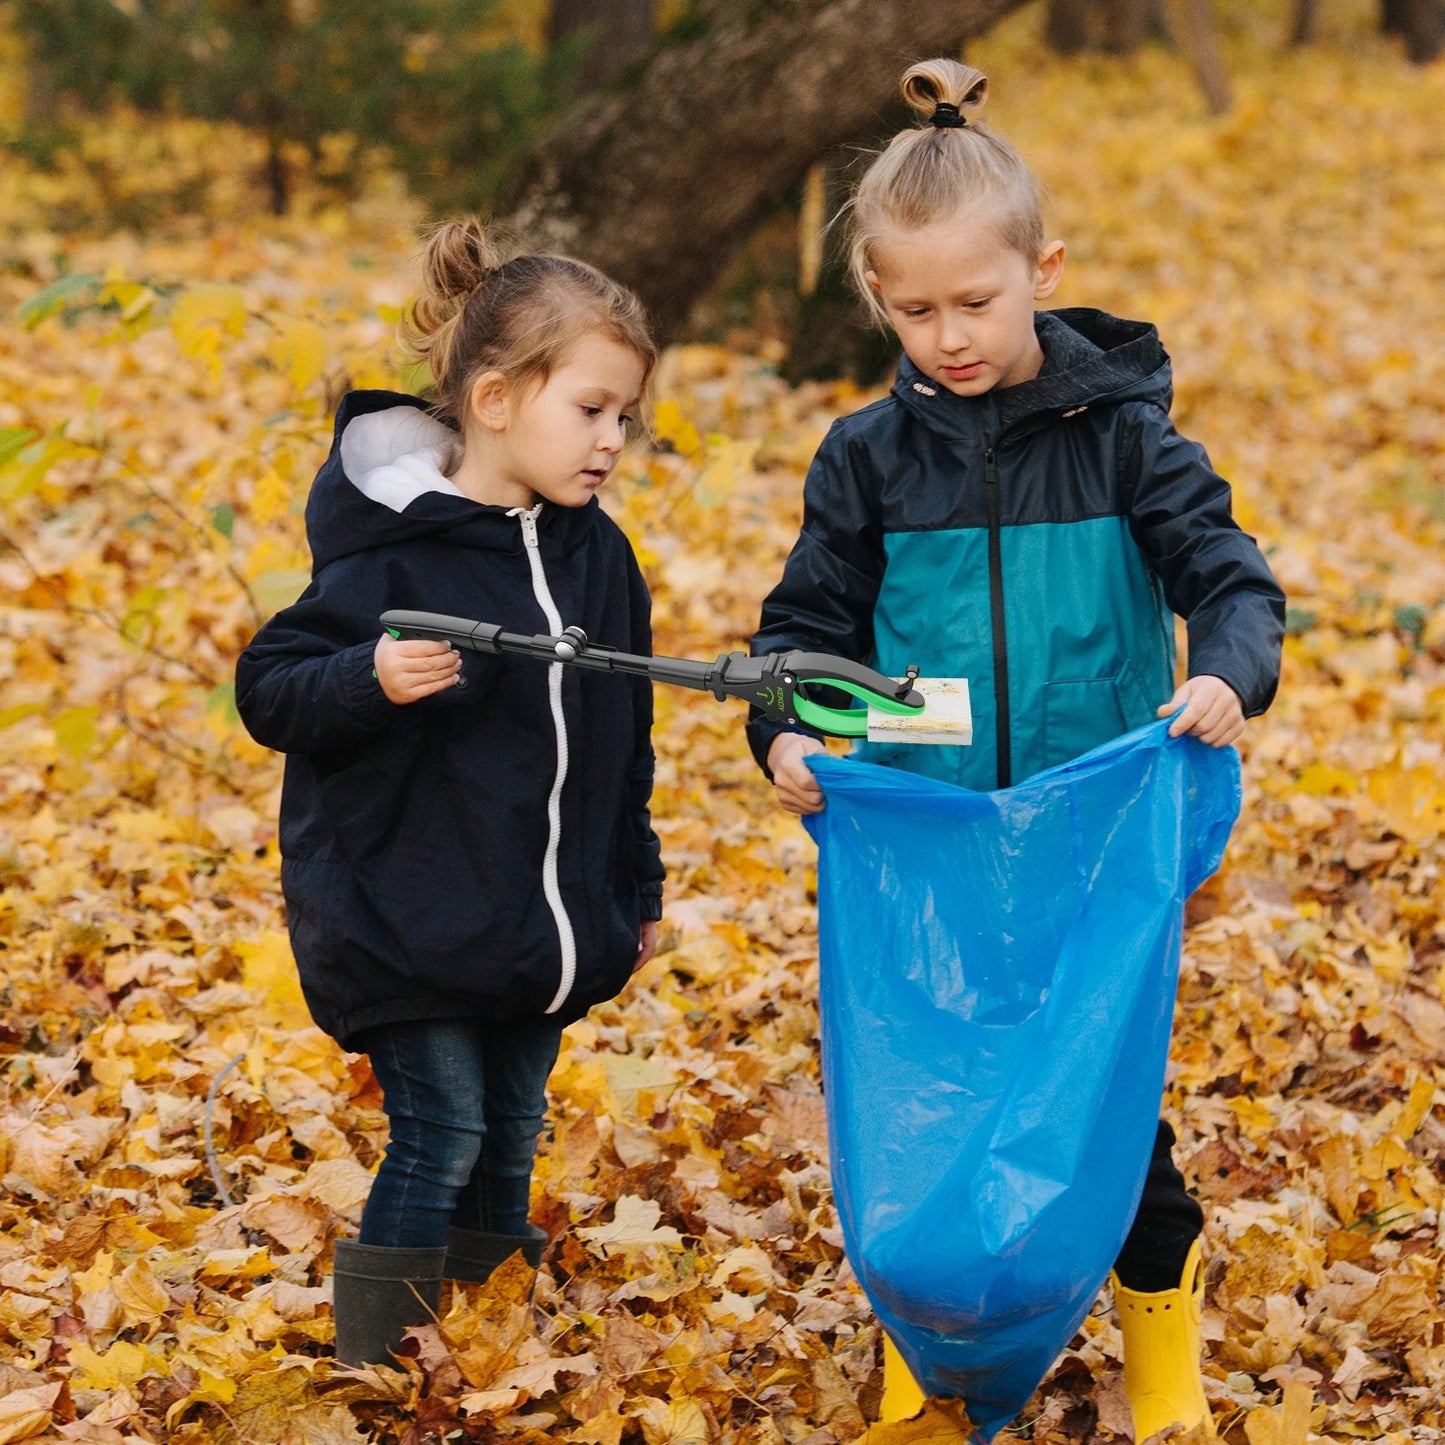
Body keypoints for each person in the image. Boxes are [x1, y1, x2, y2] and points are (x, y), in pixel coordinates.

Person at [748, 59, 1284, 1440]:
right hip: (923, 839)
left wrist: (1225, 673)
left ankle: (1162, 1350)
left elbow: (1229, 576)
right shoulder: (864, 458)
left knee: (1105, 1108)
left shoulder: (1121, 441)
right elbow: (804, 630)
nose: (950, 336)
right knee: (921, 1097)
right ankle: (923, 1365)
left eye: (975, 303)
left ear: (1041, 269)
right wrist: (786, 732)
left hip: (1093, 836)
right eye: (912, 310)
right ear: (877, 299)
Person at [236, 219, 665, 1369]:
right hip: (403, 910)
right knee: (442, 1129)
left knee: (512, 1130)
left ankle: (478, 1354)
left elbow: (628, 740)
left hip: (540, 920)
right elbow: (269, 687)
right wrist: (367, 677)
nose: (610, 440)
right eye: (589, 410)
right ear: (492, 399)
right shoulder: (388, 554)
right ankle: (376, 1367)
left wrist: (636, 884)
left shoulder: (599, 559)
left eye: (624, 416)